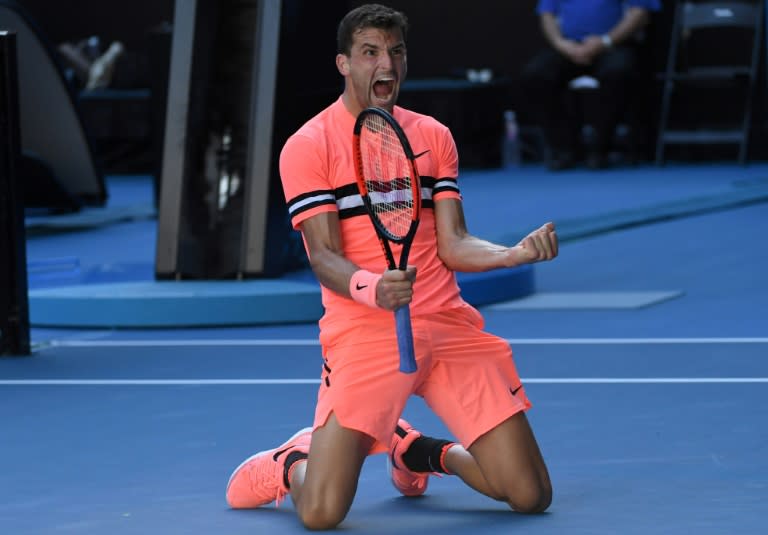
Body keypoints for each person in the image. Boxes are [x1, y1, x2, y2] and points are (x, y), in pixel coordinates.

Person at [225, 4, 558, 530]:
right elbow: (323, 257)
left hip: (446, 326)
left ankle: (418, 451)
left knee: (528, 494)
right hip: (364, 334)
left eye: (396, 51)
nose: (387, 63)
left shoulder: (433, 136)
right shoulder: (308, 146)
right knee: (322, 513)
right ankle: (289, 462)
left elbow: (453, 243)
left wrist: (512, 253)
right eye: (371, 52)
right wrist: (372, 287)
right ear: (344, 63)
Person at [520, 0, 661, 171]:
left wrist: (605, 41)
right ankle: (564, 147)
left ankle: (600, 147)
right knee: (536, 74)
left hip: (614, 44)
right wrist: (561, 44)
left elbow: (639, 13)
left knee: (619, 71)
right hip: (568, 47)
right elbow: (547, 15)